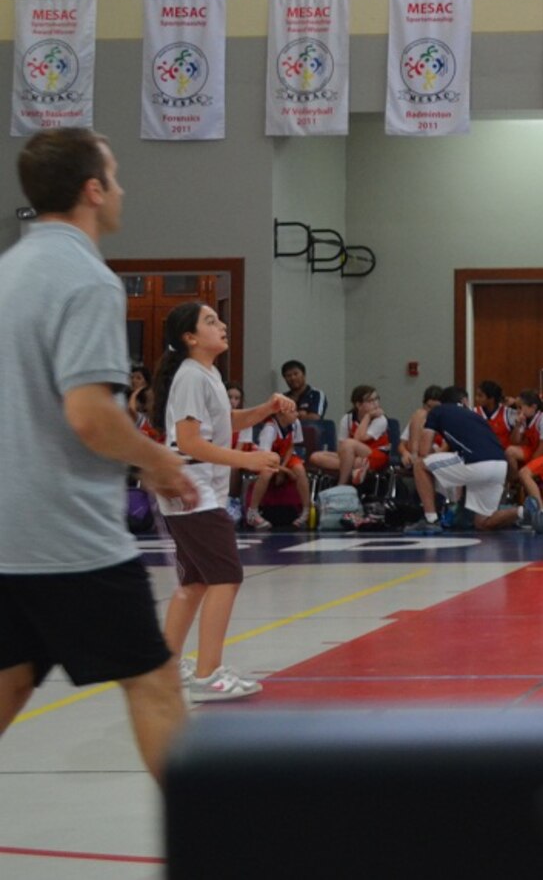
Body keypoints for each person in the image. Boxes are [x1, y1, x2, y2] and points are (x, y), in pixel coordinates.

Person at [0, 129, 199, 781]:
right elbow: (89, 415)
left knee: (11, 681)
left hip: (7, 530)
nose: (122, 189)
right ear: (92, 190)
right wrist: (157, 460)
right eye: (114, 176)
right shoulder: (87, 280)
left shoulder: (9, 271)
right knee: (155, 683)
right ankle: (205, 832)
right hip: (69, 535)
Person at [151, 301, 291, 702]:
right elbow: (190, 442)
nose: (222, 325)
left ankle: (165, 669)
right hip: (193, 492)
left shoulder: (206, 373)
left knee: (195, 582)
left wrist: (265, 410)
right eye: (210, 321)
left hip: (196, 491)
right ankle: (207, 674)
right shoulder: (191, 377)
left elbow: (223, 423)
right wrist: (247, 460)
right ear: (190, 337)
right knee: (225, 577)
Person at [411, 387, 533, 533]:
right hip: (500, 465)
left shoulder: (438, 411)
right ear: (463, 401)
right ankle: (524, 511)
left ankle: (431, 520)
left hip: (476, 463)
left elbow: (424, 451)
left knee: (420, 465)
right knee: (482, 522)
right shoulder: (476, 416)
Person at [241, 404, 311, 532]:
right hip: (265, 458)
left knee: (300, 470)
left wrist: (282, 469)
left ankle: (306, 511)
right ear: (280, 414)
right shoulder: (269, 429)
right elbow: (265, 459)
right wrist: (285, 471)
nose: (297, 414)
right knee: (267, 473)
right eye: (292, 411)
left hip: (284, 457)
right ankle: (253, 512)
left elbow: (291, 447)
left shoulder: (295, 423)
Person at [510, 390, 543, 512]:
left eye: (520, 407)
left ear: (533, 407)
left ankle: (540, 509)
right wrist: (517, 425)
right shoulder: (525, 419)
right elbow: (515, 441)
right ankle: (515, 482)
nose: (518, 411)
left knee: (524, 473)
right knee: (510, 451)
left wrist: (529, 465)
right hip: (536, 451)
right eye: (517, 408)